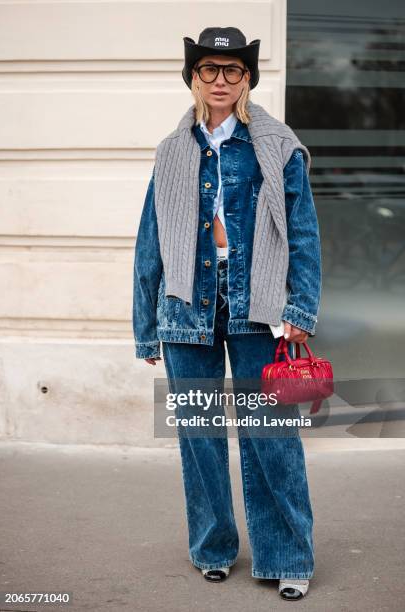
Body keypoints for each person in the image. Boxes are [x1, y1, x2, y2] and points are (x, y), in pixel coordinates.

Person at [133, 27, 322, 601]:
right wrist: (145, 326)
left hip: (258, 307)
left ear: (247, 80)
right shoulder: (172, 152)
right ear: (194, 78)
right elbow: (150, 242)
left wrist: (301, 307)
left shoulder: (276, 145)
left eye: (232, 70)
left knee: (271, 435)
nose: (220, 80)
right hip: (187, 310)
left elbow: (304, 233)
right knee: (200, 435)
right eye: (209, 70)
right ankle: (213, 548)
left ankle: (287, 555)